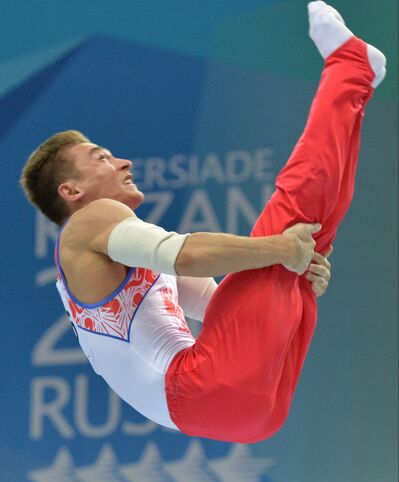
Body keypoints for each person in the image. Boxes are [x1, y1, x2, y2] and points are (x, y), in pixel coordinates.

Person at [20, 2, 386, 443]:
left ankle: (355, 83)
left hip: (241, 413)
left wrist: (293, 275)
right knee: (291, 221)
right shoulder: (85, 222)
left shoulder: (107, 251)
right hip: (200, 390)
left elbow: (225, 308)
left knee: (311, 234)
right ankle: (349, 68)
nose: (123, 161)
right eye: (101, 158)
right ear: (71, 192)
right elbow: (185, 254)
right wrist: (280, 251)